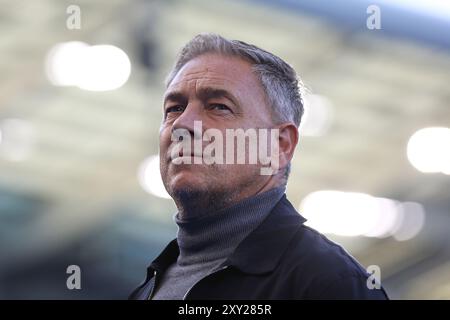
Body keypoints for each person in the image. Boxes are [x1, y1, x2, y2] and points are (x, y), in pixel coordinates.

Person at [129, 33, 389, 300]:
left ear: (280, 145)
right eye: (174, 108)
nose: (182, 125)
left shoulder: (330, 283)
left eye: (219, 107)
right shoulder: (147, 290)